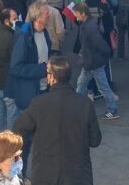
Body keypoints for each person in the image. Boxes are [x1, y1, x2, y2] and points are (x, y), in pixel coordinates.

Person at [14, 56, 101, 185]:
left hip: (46, 175)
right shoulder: (85, 104)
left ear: (52, 77)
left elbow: (18, 129)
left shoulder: (39, 103)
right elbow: (95, 140)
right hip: (78, 175)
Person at [72, 1, 119, 120]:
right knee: (85, 85)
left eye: (76, 13)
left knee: (91, 86)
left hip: (92, 63)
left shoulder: (89, 27)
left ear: (82, 13)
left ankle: (112, 110)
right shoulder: (90, 25)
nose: (75, 16)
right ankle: (111, 109)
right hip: (92, 62)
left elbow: (100, 45)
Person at [6, 1, 51, 116]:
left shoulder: (44, 32)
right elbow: (15, 68)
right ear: (38, 17)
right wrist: (43, 69)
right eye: (46, 13)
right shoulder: (23, 37)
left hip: (44, 88)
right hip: (30, 94)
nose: (49, 15)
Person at [0, 9, 18, 133]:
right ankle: (11, 141)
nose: (17, 20)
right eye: (15, 18)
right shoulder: (12, 37)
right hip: (8, 81)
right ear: (6, 21)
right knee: (12, 114)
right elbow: (15, 60)